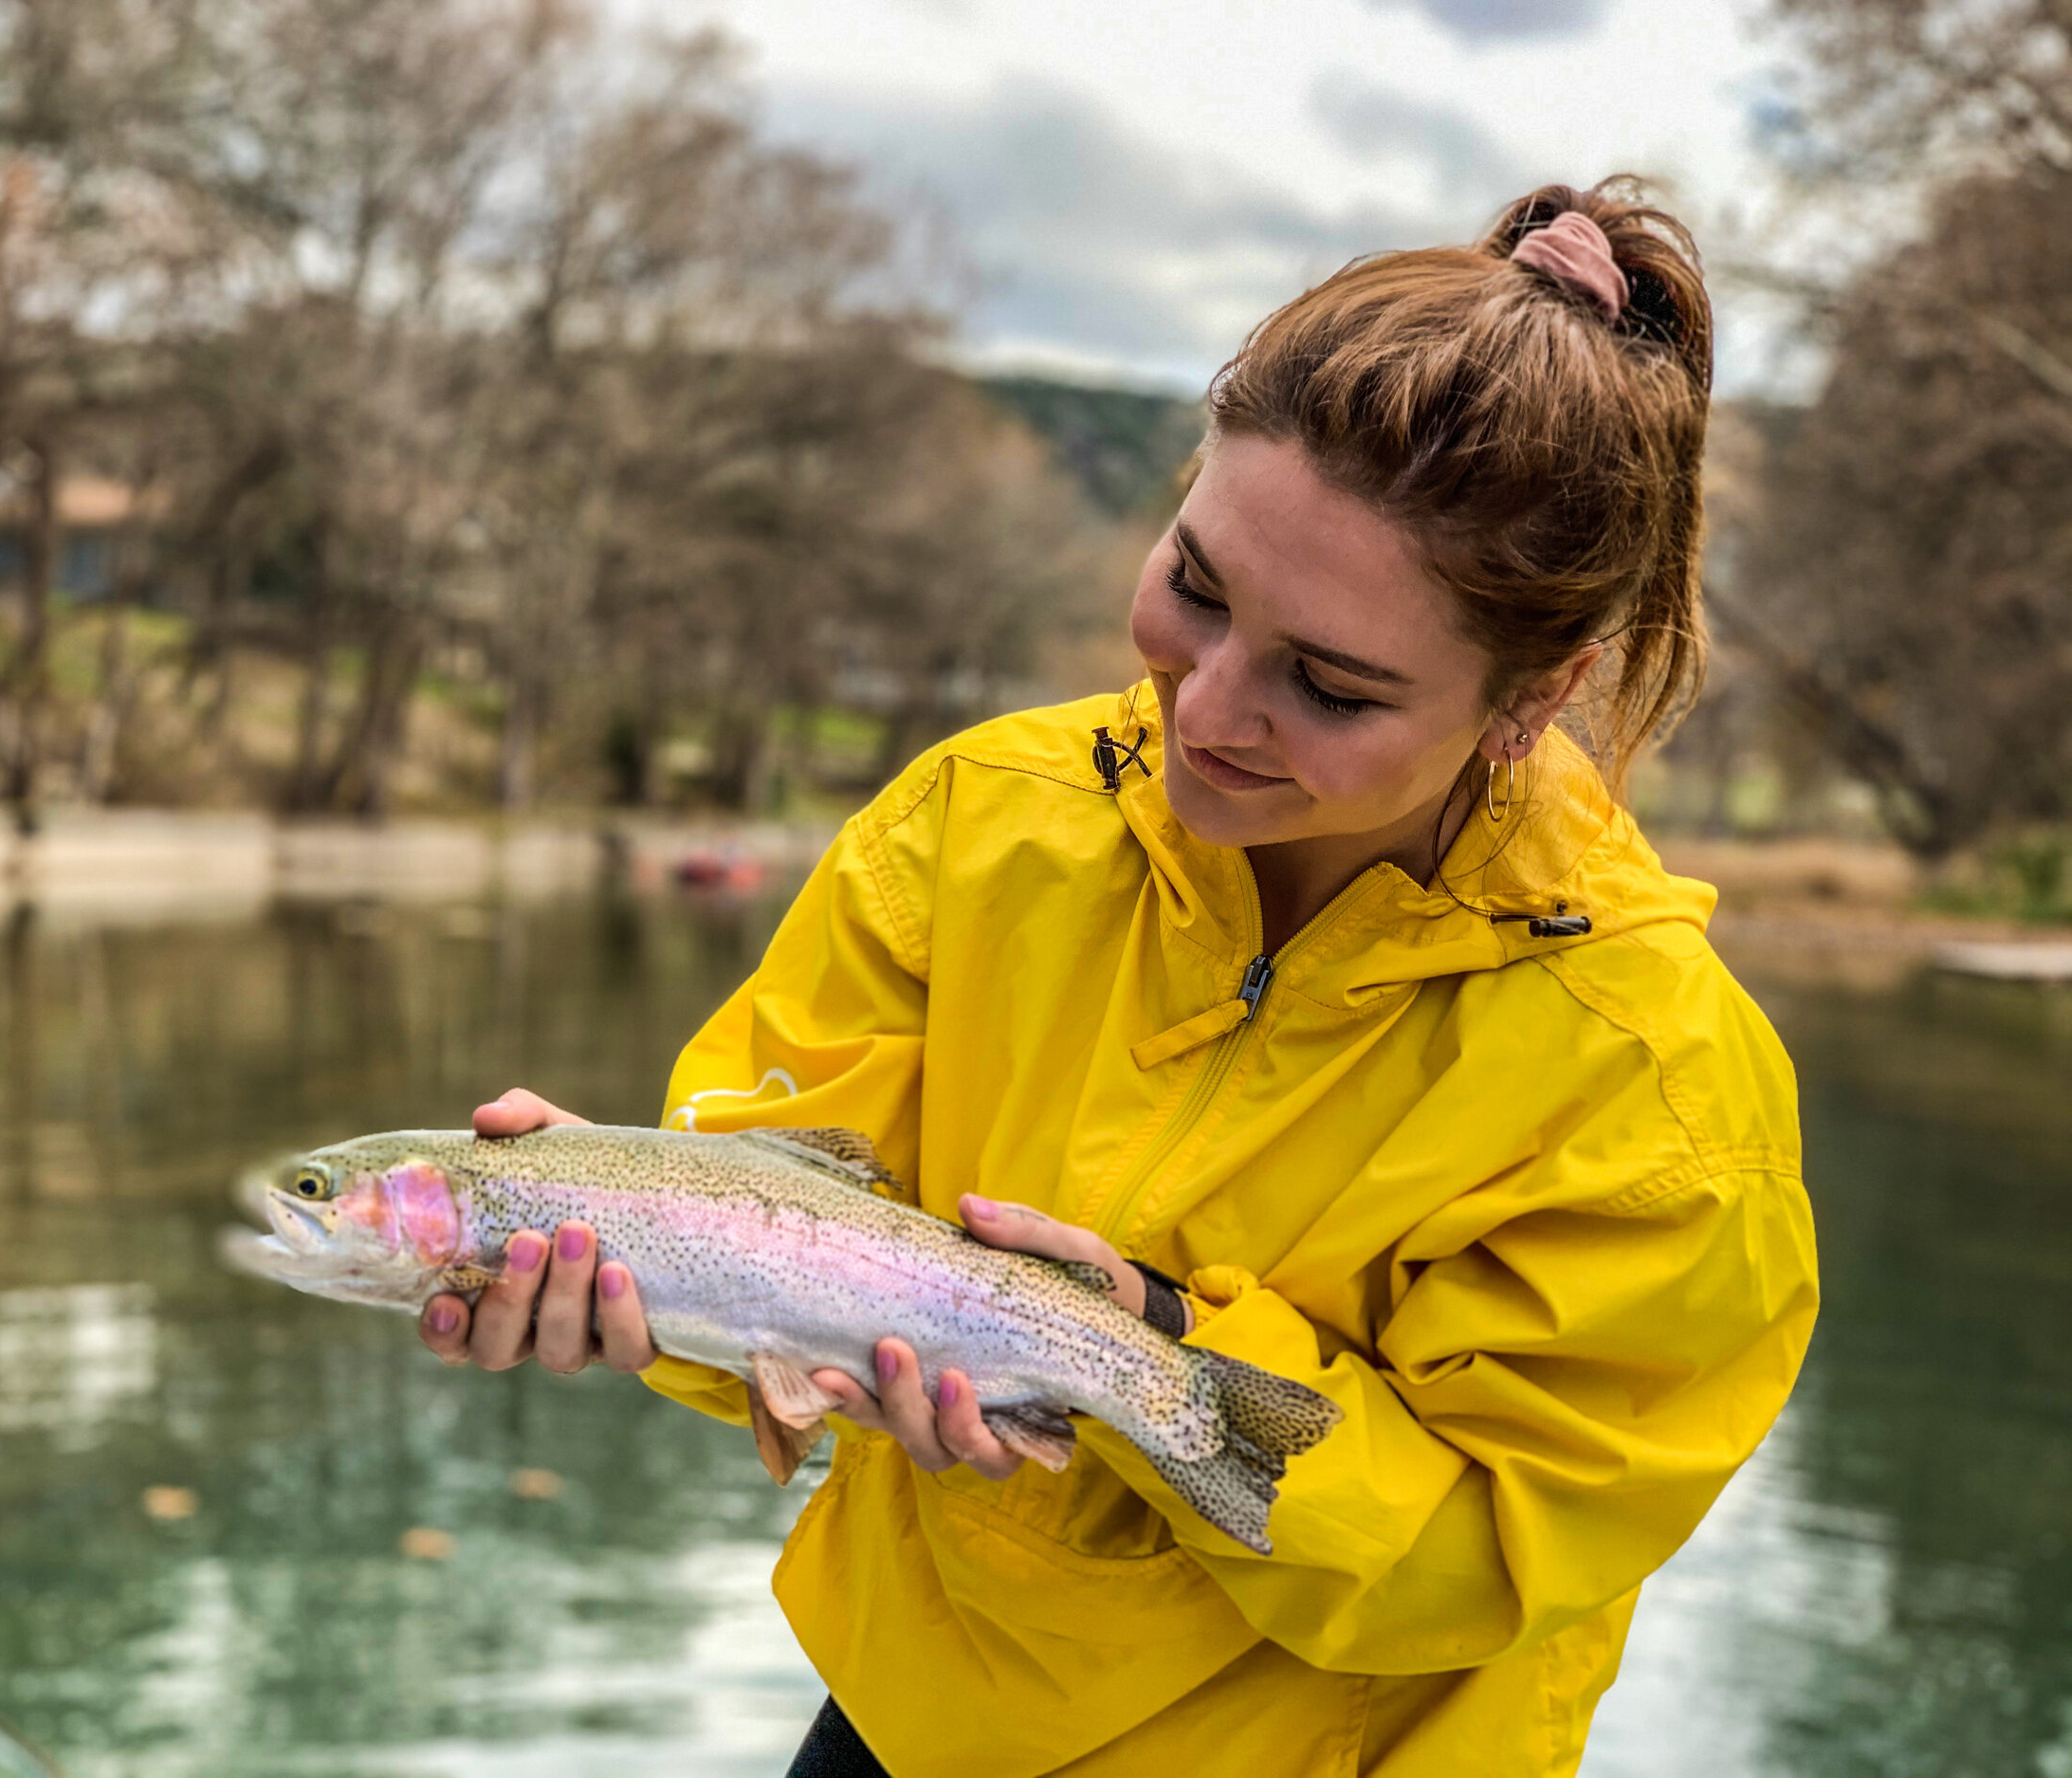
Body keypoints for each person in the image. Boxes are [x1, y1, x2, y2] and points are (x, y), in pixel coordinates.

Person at [417, 180, 1819, 1777]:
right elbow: (786, 1206)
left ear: (1539, 692)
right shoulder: (975, 818)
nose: (1206, 708)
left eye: (1332, 685)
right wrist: (630, 1283)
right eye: (1197, 586)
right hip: (902, 1725)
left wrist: (1148, 1347)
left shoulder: (1663, 1091)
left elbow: (1490, 1553)